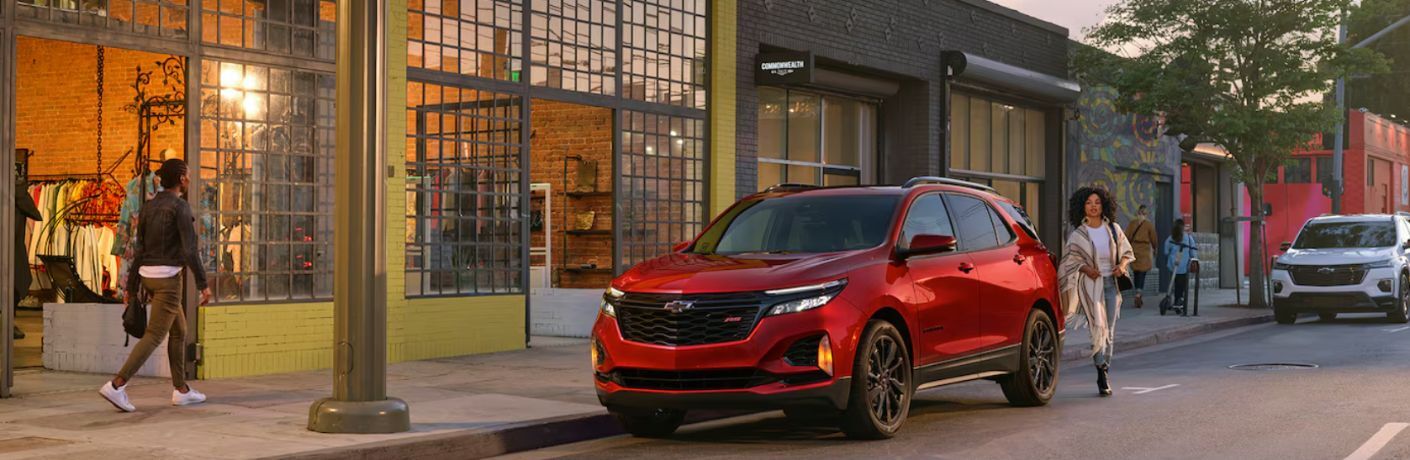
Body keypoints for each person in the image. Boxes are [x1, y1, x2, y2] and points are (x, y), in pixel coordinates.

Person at [99, 159, 212, 412]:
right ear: (181, 179)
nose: (190, 179)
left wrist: (131, 287)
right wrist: (203, 284)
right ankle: (117, 385)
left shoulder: (148, 207)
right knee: (155, 335)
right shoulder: (180, 207)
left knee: (179, 330)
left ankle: (181, 390)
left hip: (147, 276)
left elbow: (139, 249)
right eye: (188, 175)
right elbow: (189, 249)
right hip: (168, 279)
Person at [1059, 186, 1135, 397]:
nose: (1093, 206)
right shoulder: (1078, 234)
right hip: (1091, 286)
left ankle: (1105, 367)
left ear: (1104, 205)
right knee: (1097, 327)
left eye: (1097, 202)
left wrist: (1122, 267)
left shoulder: (1114, 229)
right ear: (1082, 207)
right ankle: (1101, 371)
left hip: (1111, 285)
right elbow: (1069, 261)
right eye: (1088, 203)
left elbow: (1127, 252)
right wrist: (1086, 269)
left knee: (1109, 331)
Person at [13, 176, 42, 340]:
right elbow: (35, 213)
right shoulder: (18, 191)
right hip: (13, 246)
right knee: (16, 282)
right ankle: (9, 323)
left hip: (12, 245)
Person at [1124, 205, 1158, 308]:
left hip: (1134, 249)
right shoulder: (1149, 225)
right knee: (1142, 273)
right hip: (1144, 250)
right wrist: (1155, 248)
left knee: (1136, 272)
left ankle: (1137, 292)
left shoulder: (1132, 224)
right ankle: (1139, 293)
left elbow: (1126, 237)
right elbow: (1154, 238)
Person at [1164, 219, 1198, 312]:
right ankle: (1179, 300)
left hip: (1172, 266)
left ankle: (1174, 300)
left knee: (1173, 284)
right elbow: (1193, 252)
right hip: (1184, 267)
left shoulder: (1170, 238)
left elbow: (1166, 251)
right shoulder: (1188, 238)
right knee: (1181, 286)